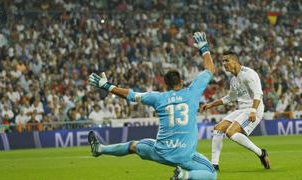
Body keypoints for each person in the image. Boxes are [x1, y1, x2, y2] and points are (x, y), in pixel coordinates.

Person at [88, 32, 217, 180]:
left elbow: (131, 95)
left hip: (160, 152)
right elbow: (210, 70)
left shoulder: (157, 98)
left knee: (133, 146)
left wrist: (107, 86)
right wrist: (204, 48)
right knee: (211, 174)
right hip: (185, 155)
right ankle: (184, 175)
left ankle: (100, 149)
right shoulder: (192, 92)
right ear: (181, 82)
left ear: (165, 85)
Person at [200, 51, 270, 171]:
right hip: (242, 110)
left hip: (254, 109)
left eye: (227, 60)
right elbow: (230, 98)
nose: (224, 63)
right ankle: (214, 165)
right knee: (218, 129)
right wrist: (211, 104)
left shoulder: (249, 74)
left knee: (230, 132)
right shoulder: (233, 80)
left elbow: (258, 93)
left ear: (235, 61)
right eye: (223, 61)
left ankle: (260, 153)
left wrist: (253, 110)